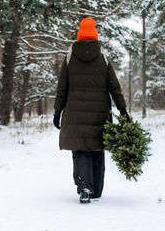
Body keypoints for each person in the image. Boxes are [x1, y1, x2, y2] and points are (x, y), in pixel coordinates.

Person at [53, 17, 129, 203]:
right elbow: (115, 87)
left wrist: (57, 112)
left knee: (80, 150)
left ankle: (84, 187)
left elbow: (62, 88)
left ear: (79, 36)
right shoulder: (103, 59)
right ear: (95, 37)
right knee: (96, 148)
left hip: (75, 115)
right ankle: (96, 189)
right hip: (99, 114)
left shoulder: (70, 59)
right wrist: (123, 110)